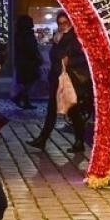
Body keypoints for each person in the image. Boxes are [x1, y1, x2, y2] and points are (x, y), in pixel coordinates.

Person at [30, 11, 82, 149]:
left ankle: (79, 141)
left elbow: (77, 56)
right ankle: (43, 138)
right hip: (57, 76)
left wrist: (68, 59)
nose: (62, 26)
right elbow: (54, 55)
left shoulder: (74, 37)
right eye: (60, 23)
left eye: (65, 23)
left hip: (67, 78)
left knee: (71, 108)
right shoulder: (58, 36)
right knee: (54, 108)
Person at [12, 14, 42, 107]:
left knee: (26, 81)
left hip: (22, 61)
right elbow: (31, 47)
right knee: (31, 79)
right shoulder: (28, 34)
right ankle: (20, 97)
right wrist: (37, 57)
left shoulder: (18, 34)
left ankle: (24, 100)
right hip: (29, 61)